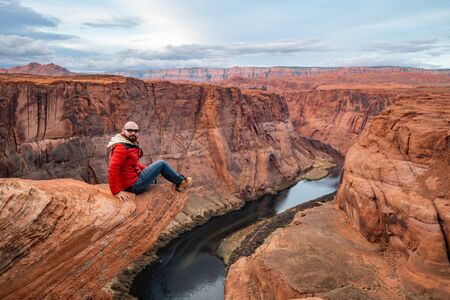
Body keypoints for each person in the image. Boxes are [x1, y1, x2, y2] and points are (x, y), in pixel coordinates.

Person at [107, 121, 192, 201]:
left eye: (135, 131)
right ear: (123, 131)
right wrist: (116, 191)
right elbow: (112, 168)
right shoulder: (121, 147)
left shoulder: (126, 144)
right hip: (133, 185)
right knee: (161, 164)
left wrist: (148, 170)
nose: (133, 133)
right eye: (129, 130)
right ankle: (181, 182)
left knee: (154, 178)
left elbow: (131, 164)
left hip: (132, 181)